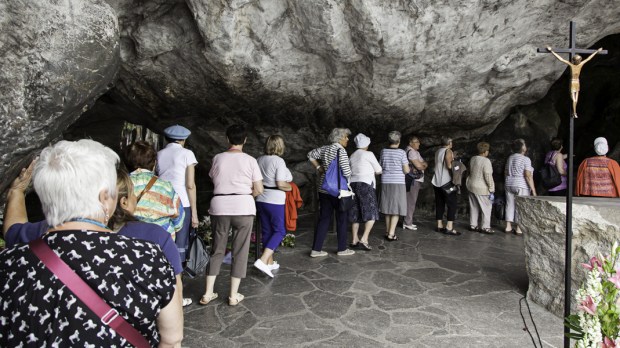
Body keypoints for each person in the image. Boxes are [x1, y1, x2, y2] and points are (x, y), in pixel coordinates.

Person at [0, 139, 183, 347]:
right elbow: (172, 339)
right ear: (105, 198)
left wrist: (17, 191)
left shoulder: (9, 263)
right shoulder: (147, 258)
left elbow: (13, 230)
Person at [3, 164, 191, 308]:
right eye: (134, 194)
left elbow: (13, 233)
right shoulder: (155, 237)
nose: (136, 198)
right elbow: (174, 292)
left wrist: (17, 191)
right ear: (123, 201)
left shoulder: (54, 229)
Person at [201, 124, 263, 306]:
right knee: (240, 250)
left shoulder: (218, 158)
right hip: (243, 206)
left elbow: (214, 178)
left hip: (220, 206)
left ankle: (207, 292)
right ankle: (233, 295)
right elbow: (259, 189)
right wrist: (244, 195)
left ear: (227, 139)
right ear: (245, 140)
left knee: (217, 249)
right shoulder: (251, 160)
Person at [307, 128, 355, 257]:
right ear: (339, 138)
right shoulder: (341, 151)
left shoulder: (325, 149)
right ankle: (342, 249)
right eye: (345, 137)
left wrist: (319, 167)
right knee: (342, 219)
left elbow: (310, 154)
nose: (347, 139)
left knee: (324, 219)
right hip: (338, 191)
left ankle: (316, 250)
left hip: (324, 188)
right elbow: (347, 172)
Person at [125, 141, 185, 239]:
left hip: (129, 239)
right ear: (154, 164)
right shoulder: (166, 186)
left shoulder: (122, 184)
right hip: (160, 239)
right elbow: (179, 217)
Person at [157, 125, 198, 262]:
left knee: (163, 238)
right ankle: (177, 277)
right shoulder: (187, 154)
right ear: (184, 140)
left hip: (161, 201)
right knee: (180, 242)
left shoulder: (159, 154)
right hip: (182, 201)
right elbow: (190, 185)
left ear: (166, 138)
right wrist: (194, 213)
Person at [254, 135, 293, 277]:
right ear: (280, 146)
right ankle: (263, 260)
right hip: (275, 200)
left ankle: (269, 263)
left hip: (260, 198)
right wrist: (290, 188)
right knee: (280, 231)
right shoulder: (279, 161)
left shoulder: (259, 159)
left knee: (266, 231)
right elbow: (281, 183)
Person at [546, 46, 603, 117]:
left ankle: (574, 112)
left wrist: (597, 51)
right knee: (574, 100)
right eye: (578, 60)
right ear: (575, 61)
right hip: (572, 82)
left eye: (579, 60)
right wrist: (552, 51)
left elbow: (589, 58)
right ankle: (574, 112)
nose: (579, 61)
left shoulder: (581, 64)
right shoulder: (571, 65)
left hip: (577, 82)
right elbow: (561, 59)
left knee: (576, 100)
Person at [348, 133, 382, 251]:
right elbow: (378, 170)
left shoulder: (352, 155)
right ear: (366, 144)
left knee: (355, 213)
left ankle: (354, 239)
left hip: (352, 185)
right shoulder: (369, 154)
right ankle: (364, 239)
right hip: (366, 184)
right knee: (371, 212)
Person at [379, 131, 410, 241]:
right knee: (396, 208)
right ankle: (391, 234)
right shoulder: (401, 152)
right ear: (399, 141)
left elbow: (380, 166)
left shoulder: (383, 151)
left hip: (386, 181)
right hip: (398, 182)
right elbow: (406, 170)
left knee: (388, 207)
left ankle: (388, 231)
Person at [504, 138, 537, 235]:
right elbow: (527, 175)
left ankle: (508, 227)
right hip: (521, 185)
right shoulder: (526, 159)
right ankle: (518, 228)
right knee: (521, 206)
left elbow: (505, 172)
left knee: (509, 204)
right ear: (522, 148)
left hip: (509, 183)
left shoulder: (510, 157)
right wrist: (534, 190)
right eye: (524, 145)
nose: (525, 146)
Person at [431, 136, 460, 235]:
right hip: (446, 182)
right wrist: (456, 164)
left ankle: (439, 225)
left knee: (440, 203)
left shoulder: (438, 151)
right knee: (452, 204)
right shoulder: (448, 151)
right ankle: (449, 227)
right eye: (451, 142)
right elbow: (449, 166)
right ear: (449, 143)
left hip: (436, 181)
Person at [466, 142, 495, 234]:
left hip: (471, 185)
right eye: (487, 151)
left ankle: (473, 225)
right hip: (481, 188)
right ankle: (485, 227)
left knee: (474, 206)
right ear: (485, 151)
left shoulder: (473, 158)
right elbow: (488, 176)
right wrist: (491, 189)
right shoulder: (486, 161)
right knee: (486, 207)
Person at [403, 135, 428, 230]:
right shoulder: (412, 152)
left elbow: (424, 163)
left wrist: (423, 164)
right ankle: (407, 222)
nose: (419, 143)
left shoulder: (412, 151)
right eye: (416, 141)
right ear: (410, 143)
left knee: (409, 200)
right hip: (413, 180)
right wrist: (423, 165)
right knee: (411, 201)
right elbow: (420, 166)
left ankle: (407, 221)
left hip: (410, 179)